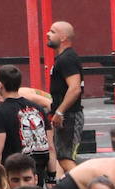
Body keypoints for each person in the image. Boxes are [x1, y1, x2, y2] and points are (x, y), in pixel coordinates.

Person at [0, 65, 51, 177]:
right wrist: (51, 176)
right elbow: (50, 147)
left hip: (13, 174)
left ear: (0, 85)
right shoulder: (38, 109)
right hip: (35, 174)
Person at [45, 21, 83, 176]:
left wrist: (60, 112)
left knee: (66, 159)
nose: (48, 34)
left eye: (52, 31)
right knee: (63, 158)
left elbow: (74, 89)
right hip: (65, 116)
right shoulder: (62, 58)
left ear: (63, 37)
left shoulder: (67, 59)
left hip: (69, 116)